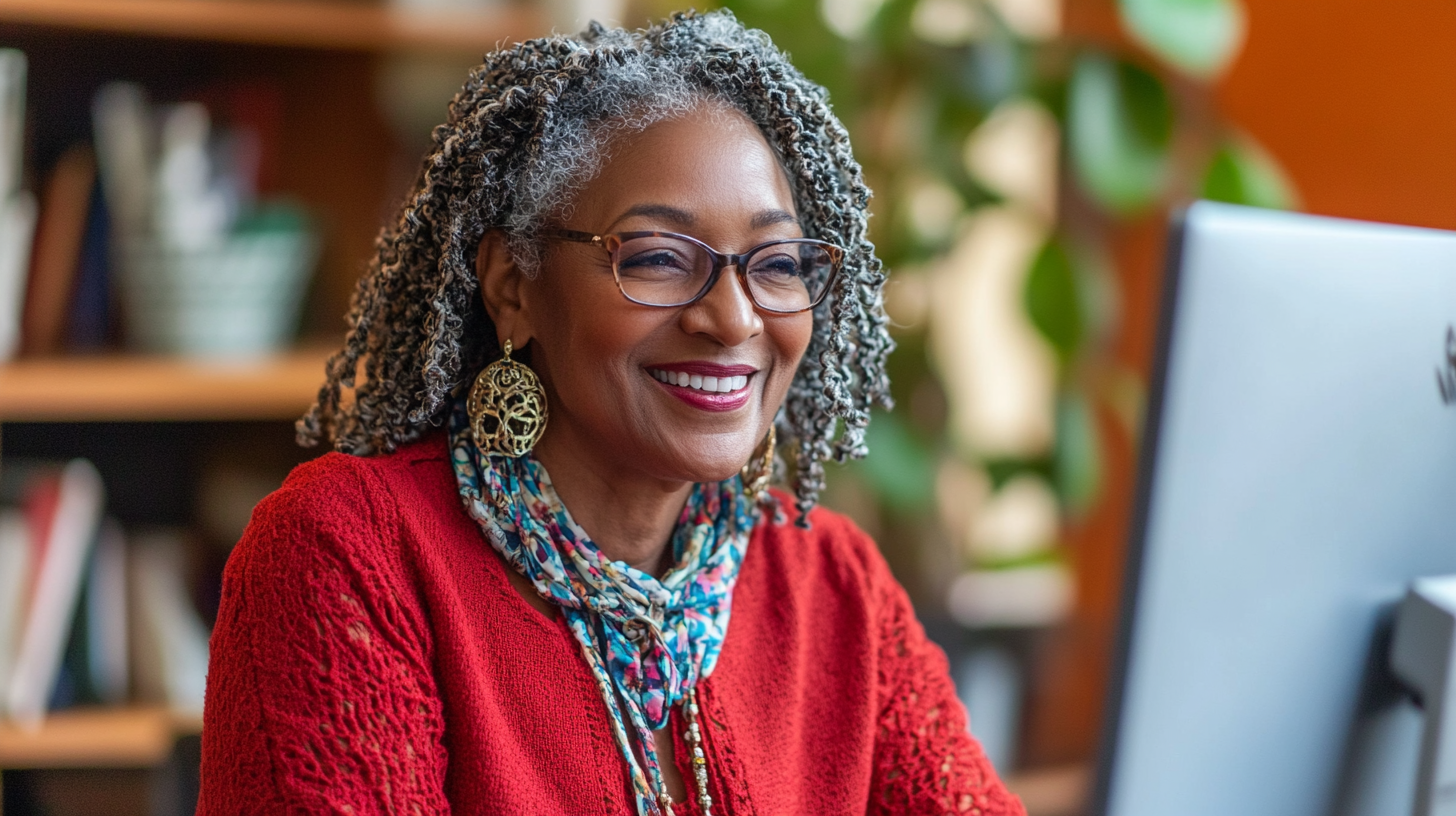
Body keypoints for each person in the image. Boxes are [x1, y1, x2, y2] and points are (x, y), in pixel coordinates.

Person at [199, 11, 1025, 816]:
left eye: (776, 263)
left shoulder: (834, 588)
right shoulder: (349, 557)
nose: (734, 320)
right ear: (512, 288)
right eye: (660, 257)